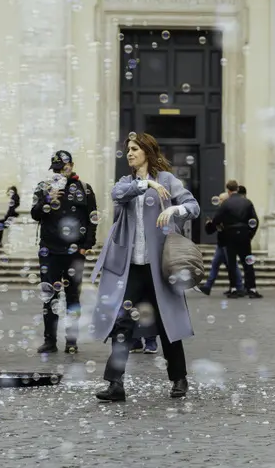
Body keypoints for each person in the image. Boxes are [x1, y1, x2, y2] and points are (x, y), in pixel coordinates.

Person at [90, 133, 200, 402]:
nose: (129, 153)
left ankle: (179, 379)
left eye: (135, 149)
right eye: (128, 149)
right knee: (122, 324)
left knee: (167, 323)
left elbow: (193, 206)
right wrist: (146, 183)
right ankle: (115, 384)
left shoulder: (168, 180)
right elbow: (117, 195)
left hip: (160, 267)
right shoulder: (127, 183)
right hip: (132, 268)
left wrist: (174, 211)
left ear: (147, 152)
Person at [31, 150, 98, 355]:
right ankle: (50, 341)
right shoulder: (43, 187)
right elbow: (34, 214)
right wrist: (47, 199)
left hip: (74, 252)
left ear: (72, 165)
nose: (60, 172)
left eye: (63, 167)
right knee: (49, 297)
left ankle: (71, 341)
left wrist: (87, 244)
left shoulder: (85, 189)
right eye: (56, 169)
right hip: (49, 251)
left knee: (73, 297)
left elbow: (92, 218)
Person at [212, 180, 262, 299]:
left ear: (228, 190)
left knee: (232, 263)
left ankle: (234, 288)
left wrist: (218, 228)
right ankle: (251, 288)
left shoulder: (226, 203)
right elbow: (255, 220)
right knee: (248, 263)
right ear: (237, 189)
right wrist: (250, 235)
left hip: (230, 235)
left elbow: (217, 219)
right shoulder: (247, 202)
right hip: (244, 235)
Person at [200, 192, 243, 296]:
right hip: (221, 243)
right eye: (218, 199)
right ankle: (208, 286)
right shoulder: (222, 211)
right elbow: (215, 225)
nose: (219, 201)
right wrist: (211, 224)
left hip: (228, 243)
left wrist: (214, 225)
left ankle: (239, 287)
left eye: (221, 199)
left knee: (232, 266)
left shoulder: (228, 211)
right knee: (216, 264)